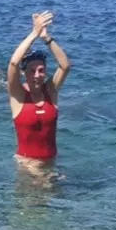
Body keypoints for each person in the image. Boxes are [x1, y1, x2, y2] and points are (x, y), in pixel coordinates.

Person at [8, 11, 71, 165]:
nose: (37, 75)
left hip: (51, 162)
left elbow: (65, 66)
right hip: (27, 165)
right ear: (24, 73)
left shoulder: (50, 91)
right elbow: (13, 63)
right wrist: (34, 34)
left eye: (41, 70)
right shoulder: (18, 95)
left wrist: (46, 38)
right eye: (32, 71)